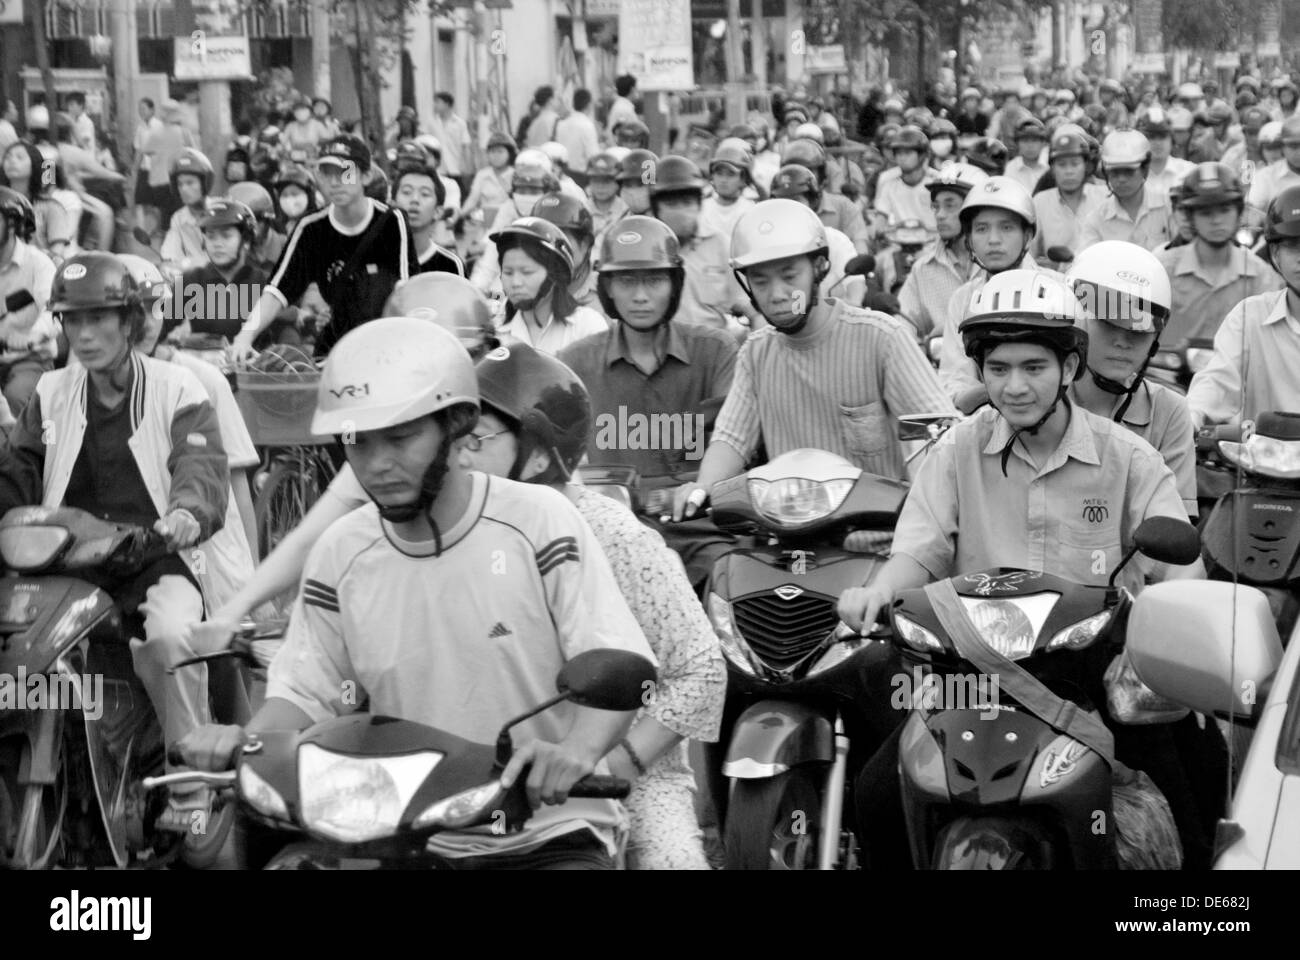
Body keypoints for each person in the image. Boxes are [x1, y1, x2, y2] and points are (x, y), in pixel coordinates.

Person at [175, 317, 657, 870]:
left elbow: (618, 662)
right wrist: (247, 742)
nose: (377, 465)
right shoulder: (340, 552)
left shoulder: (540, 521)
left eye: (401, 438)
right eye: (357, 442)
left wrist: (575, 752)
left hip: (545, 831)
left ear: (456, 426)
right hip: (395, 833)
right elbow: (306, 692)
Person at [837, 268, 1216, 870]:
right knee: (879, 797)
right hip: (971, 670)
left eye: (1033, 368)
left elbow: (1178, 568)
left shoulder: (1129, 458)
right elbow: (919, 549)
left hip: (1092, 672)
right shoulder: (956, 451)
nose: (1014, 387)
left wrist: (1163, 632)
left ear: (1069, 368)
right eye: (998, 369)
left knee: (1185, 802)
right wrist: (877, 591)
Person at [467, 343, 724, 868]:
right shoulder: (459, 534)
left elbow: (701, 670)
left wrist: (616, 763)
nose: (459, 456)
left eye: (477, 439)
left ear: (537, 454)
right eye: (453, 438)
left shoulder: (614, 536)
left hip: (625, 778)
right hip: (489, 780)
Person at [0, 252, 230, 833]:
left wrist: (185, 512)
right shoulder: (49, 393)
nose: (84, 334)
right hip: (61, 562)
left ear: (131, 322)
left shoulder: (178, 387)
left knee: (170, 635)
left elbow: (200, 466)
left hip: (151, 558)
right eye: (73, 321)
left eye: (100, 319)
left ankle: (190, 781)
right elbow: (16, 476)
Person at [667, 199, 955, 525]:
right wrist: (703, 487)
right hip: (788, 540)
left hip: (875, 537)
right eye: (760, 281)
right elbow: (732, 437)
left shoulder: (882, 338)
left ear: (819, 268)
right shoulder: (756, 352)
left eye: (789, 276)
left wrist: (921, 517)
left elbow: (937, 434)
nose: (776, 294)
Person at [560, 216, 738, 587]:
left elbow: (736, 446)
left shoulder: (715, 351)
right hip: (617, 533)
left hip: (703, 530)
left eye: (654, 280)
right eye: (626, 281)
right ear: (607, 288)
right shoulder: (575, 362)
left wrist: (697, 489)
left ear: (674, 285)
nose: (640, 296)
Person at [230, 134, 417, 360]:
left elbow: (407, 289)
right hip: (336, 347)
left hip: (387, 343)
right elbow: (277, 289)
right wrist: (245, 337)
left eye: (345, 172)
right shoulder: (310, 228)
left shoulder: (391, 221)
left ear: (366, 176)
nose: (335, 182)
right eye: (326, 173)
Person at [1066, 241, 1197, 516]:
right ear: (1075, 321)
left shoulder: (1169, 410)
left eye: (1138, 330)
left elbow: (1173, 523)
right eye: (1109, 323)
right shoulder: (1043, 400)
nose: (1122, 341)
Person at [1188, 185, 1300, 429]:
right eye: (1293, 245)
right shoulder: (1249, 316)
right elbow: (1218, 380)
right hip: (1261, 463)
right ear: (1275, 254)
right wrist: (1191, 417)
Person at [935, 175, 1040, 403]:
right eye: (981, 229)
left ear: (1028, 236)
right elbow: (955, 382)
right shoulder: (963, 299)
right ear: (969, 238)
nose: (993, 240)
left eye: (1006, 228)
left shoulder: (1058, 290)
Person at [1156, 162, 1281, 345]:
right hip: (1168, 371)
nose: (1216, 221)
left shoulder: (1261, 276)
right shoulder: (1162, 271)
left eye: (1224, 210)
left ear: (1239, 213)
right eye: (1206, 213)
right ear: (1191, 218)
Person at [648, 155, 756, 331]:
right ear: (656, 209)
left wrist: (758, 325)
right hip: (661, 347)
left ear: (699, 205)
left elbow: (745, 302)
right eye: (671, 204)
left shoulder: (721, 245)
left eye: (687, 203)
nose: (681, 211)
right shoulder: (645, 248)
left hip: (712, 347)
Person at [897, 161, 987, 340]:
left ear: (976, 209)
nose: (939, 214)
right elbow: (902, 324)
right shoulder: (922, 268)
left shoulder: (1005, 261)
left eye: (950, 205)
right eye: (936, 206)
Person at [493, 216, 606, 354]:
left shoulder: (587, 327)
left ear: (555, 274)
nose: (516, 282)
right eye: (508, 272)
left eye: (527, 272)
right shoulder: (494, 331)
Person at [768, 164, 867, 307]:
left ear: (813, 202)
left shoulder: (834, 240)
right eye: (782, 202)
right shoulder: (766, 247)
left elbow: (855, 284)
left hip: (837, 319)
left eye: (796, 201)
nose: (789, 207)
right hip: (784, 321)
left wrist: (853, 304)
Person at [469, 148, 561, 298]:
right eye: (522, 190)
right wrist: (474, 290)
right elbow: (490, 256)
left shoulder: (557, 210)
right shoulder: (508, 208)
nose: (526, 196)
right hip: (511, 285)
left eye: (533, 191)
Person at [176, 199, 267, 341]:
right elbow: (160, 324)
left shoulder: (265, 283)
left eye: (226, 236)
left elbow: (290, 323)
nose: (217, 244)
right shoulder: (190, 281)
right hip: (202, 361)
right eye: (211, 237)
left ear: (246, 241)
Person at [0, 187, 56, 416]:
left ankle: (30, 450)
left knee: (17, 396)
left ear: (12, 224)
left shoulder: (38, 263)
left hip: (28, 359)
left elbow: (53, 311)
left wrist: (32, 336)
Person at [1078, 129, 1177, 251]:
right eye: (1114, 172)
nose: (1121, 179)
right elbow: (1086, 260)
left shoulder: (1169, 207)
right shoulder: (1096, 220)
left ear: (1145, 169)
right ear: (1106, 172)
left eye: (1129, 171)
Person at [1031, 127, 1107, 269]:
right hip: (1055, 285)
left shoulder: (1104, 197)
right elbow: (1029, 254)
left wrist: (1060, 266)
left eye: (1075, 164)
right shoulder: (1040, 202)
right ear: (1052, 169)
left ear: (1086, 166)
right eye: (1062, 165)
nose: (1069, 171)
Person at [782, 138, 870, 254]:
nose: (801, 177)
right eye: (794, 172)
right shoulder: (778, 210)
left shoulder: (844, 207)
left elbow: (860, 250)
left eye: (809, 170)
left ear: (822, 175)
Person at [1, 141, 75, 263]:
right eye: (8, 157)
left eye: (20, 157)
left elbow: (57, 254)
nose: (12, 161)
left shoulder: (51, 206)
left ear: (34, 165)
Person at [393, 153, 464, 276]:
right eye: (406, 192)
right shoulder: (373, 258)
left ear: (438, 212)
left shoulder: (450, 266)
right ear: (392, 205)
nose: (414, 199)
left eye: (425, 194)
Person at [533, 192, 597, 307]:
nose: (549, 247)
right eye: (541, 238)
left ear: (585, 244)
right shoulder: (522, 284)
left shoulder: (607, 293)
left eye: (559, 239)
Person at [872, 125, 939, 234]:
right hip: (899, 243)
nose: (902, 158)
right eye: (899, 153)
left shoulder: (937, 181)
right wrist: (888, 229)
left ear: (922, 155)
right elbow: (880, 221)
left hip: (934, 242)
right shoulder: (887, 180)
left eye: (907, 153)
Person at [160, 147, 215, 273]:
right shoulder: (178, 218)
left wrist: (188, 263)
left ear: (205, 183)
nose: (184, 189)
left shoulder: (220, 212)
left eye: (190, 183)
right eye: (180, 184)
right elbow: (169, 256)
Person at [699, 138, 757, 241]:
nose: (723, 180)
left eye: (731, 174)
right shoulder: (702, 208)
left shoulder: (751, 211)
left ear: (743, 179)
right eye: (719, 173)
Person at [1246, 115, 1300, 224]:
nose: (1299, 152)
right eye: (1293, 146)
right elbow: (1251, 210)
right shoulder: (1265, 177)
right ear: (1283, 147)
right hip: (1279, 237)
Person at [1138, 108, 1196, 205]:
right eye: (1151, 137)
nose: (1157, 143)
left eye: (1162, 136)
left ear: (1172, 140)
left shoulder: (1189, 172)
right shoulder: (1132, 175)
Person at [461, 130, 515, 228]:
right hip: (487, 224)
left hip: (509, 225)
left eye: (500, 151)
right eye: (492, 151)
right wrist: (459, 214)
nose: (496, 156)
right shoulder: (482, 175)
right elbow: (472, 200)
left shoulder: (515, 175)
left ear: (509, 153)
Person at [427, 92, 472, 195]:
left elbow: (466, 145)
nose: (435, 105)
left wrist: (467, 166)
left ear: (447, 104)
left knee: (460, 195)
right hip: (438, 168)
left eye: (438, 102)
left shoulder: (460, 124)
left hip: (455, 168)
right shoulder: (432, 123)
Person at [554, 89, 600, 186]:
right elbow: (593, 156)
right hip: (580, 178)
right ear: (589, 105)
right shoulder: (587, 125)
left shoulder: (561, 124)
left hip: (563, 176)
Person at [585, 152, 628, 246]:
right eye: (596, 181)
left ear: (617, 183)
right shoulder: (582, 210)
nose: (600, 187)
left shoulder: (626, 211)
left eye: (606, 181)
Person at [1004, 116, 1049, 196]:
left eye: (1034, 141)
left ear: (1043, 143)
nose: (1030, 146)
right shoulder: (1010, 168)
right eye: (1025, 141)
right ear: (1017, 144)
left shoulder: (1050, 166)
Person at [616, 148, 656, 216]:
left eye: (640, 184)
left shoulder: (668, 222)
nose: (633, 192)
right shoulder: (616, 222)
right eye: (628, 185)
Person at [606, 75, 639, 141]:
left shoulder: (621, 106)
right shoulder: (624, 110)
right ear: (632, 89)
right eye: (636, 88)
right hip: (624, 149)